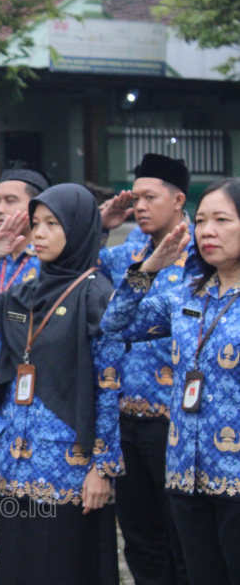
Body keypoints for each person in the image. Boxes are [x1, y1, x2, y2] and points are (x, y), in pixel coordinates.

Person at [0, 183, 124, 585]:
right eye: (36, 223)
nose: (38, 233)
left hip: (67, 468)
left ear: (78, 229)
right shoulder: (20, 295)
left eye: (52, 224)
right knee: (16, 567)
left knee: (62, 569)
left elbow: (108, 387)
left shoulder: (96, 295)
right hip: (11, 462)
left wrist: (103, 468)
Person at [102, 177, 240, 585]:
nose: (208, 231)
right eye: (202, 221)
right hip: (185, 473)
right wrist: (148, 269)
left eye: (222, 220)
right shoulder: (187, 296)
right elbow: (114, 324)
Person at [98, 153, 194, 585]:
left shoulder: (204, 256)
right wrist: (101, 227)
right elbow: (77, 269)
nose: (139, 206)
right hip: (125, 420)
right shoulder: (128, 255)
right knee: (140, 540)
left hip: (176, 424)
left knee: (184, 540)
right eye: (136, 198)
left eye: (150, 197)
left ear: (178, 200)